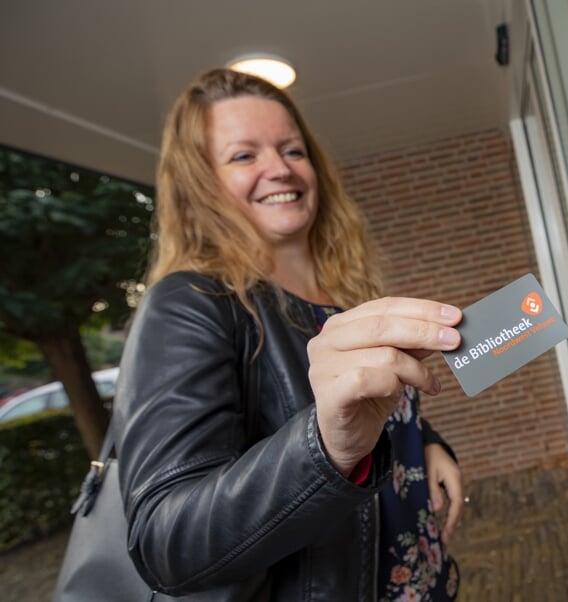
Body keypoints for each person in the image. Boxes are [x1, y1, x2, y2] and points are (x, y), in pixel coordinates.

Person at [111, 67, 465, 601]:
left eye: (293, 150)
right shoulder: (192, 303)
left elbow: (374, 410)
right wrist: (324, 446)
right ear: (200, 182)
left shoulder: (345, 290)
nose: (279, 169)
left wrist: (428, 445)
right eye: (244, 155)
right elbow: (166, 539)